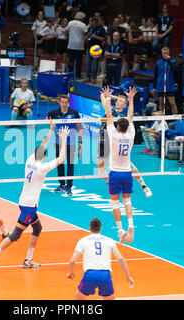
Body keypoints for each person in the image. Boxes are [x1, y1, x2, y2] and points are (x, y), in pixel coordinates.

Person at [0, 123, 70, 273]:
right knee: (16, 234)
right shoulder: (42, 168)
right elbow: (61, 159)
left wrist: (50, 131)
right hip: (29, 206)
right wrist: (64, 138)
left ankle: (28, 259)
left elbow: (42, 146)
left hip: (23, 202)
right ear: (44, 156)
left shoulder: (29, 160)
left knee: (38, 227)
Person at [99, 86, 137, 244]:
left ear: (117, 127)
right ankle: (131, 224)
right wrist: (131, 98)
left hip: (115, 173)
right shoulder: (131, 134)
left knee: (115, 202)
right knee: (127, 201)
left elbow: (108, 114)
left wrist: (107, 98)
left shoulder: (113, 134)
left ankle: (120, 230)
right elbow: (130, 115)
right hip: (127, 172)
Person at [97, 93, 153, 197]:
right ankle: (111, 183)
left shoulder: (123, 118)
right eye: (118, 101)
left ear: (125, 106)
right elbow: (104, 100)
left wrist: (113, 97)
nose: (118, 102)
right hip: (103, 142)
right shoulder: (110, 111)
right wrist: (105, 95)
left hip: (114, 144)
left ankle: (143, 185)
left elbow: (129, 115)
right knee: (101, 172)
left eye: (121, 102)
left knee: (130, 166)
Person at [67, 218, 134, 300]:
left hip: (90, 275)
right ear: (100, 229)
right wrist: (128, 275)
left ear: (89, 228)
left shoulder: (83, 241)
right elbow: (120, 259)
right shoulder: (109, 240)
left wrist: (70, 272)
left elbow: (72, 260)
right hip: (105, 275)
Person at [46, 95, 82, 196]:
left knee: (70, 164)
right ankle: (61, 184)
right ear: (59, 102)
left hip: (71, 142)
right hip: (59, 142)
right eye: (62, 102)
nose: (64, 104)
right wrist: (51, 125)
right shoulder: (54, 113)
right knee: (59, 163)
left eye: (66, 102)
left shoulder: (74, 113)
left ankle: (69, 186)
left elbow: (79, 128)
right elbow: (46, 119)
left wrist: (81, 141)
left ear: (68, 103)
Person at [152, 46, 178, 115]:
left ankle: (175, 120)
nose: (165, 54)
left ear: (169, 53)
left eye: (166, 53)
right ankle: (161, 120)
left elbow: (175, 70)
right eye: (163, 53)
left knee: (172, 103)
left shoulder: (173, 62)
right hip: (160, 86)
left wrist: (169, 60)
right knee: (160, 103)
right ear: (161, 53)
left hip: (170, 86)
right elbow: (155, 76)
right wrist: (154, 87)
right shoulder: (158, 63)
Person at [65, 11, 88, 79]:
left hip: (71, 44)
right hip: (79, 46)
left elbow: (66, 32)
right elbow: (86, 33)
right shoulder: (83, 25)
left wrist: (69, 38)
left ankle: (70, 74)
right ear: (81, 18)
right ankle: (78, 75)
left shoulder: (70, 22)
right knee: (78, 62)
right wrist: (83, 41)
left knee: (70, 61)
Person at [84, 16, 105, 84]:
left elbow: (103, 38)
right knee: (88, 63)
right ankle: (87, 77)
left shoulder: (101, 29)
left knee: (95, 64)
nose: (92, 24)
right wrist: (87, 37)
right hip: (89, 47)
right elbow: (87, 36)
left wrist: (95, 36)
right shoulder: (90, 28)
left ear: (97, 23)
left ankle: (93, 78)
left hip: (96, 48)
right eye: (91, 22)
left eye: (94, 23)